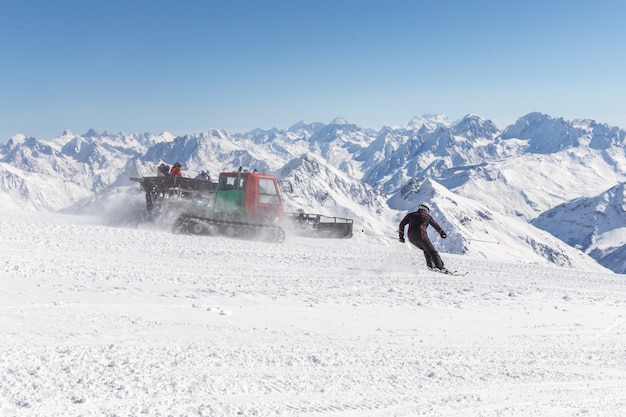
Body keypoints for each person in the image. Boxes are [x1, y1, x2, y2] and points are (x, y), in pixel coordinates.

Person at [398, 202, 449, 272]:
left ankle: (430, 266)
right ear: (427, 209)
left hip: (411, 238)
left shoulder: (410, 215)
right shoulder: (427, 216)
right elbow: (435, 225)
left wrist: (401, 237)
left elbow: (401, 224)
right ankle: (441, 268)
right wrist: (442, 233)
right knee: (433, 252)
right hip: (421, 236)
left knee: (426, 250)